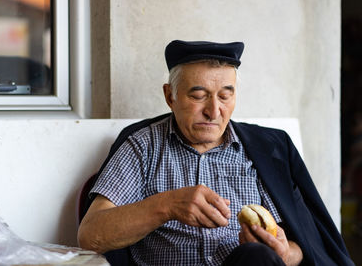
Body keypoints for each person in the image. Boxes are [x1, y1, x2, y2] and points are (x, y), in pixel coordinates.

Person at [78, 40, 354, 266]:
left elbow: (308, 244)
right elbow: (91, 234)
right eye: (198, 96)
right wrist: (167, 206)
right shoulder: (143, 145)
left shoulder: (268, 149)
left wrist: (286, 253)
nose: (213, 111)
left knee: (257, 256)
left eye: (225, 96)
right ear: (170, 96)